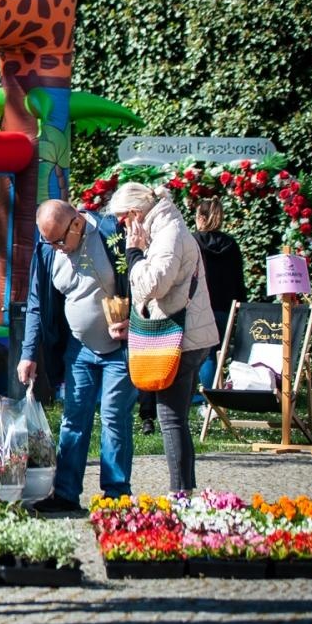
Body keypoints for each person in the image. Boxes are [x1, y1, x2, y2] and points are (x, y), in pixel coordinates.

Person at [18, 200, 136, 515]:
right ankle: (66, 494)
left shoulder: (112, 233)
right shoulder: (47, 250)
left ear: (76, 224)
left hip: (119, 348)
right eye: (48, 241)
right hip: (79, 349)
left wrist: (134, 320)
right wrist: (29, 353)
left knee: (113, 418)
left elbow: (141, 284)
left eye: (59, 240)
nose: (55, 248)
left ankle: (116, 497)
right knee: (74, 419)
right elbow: (35, 302)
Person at [109, 182, 219, 493]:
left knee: (170, 419)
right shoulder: (165, 228)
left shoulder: (169, 233)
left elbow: (155, 284)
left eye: (121, 219)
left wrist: (133, 254)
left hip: (183, 338)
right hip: (189, 333)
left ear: (134, 214)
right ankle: (183, 488)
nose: (121, 226)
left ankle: (180, 493)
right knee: (175, 418)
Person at [192, 198, 247, 390]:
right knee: (217, 353)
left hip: (199, 305)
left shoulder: (193, 241)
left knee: (202, 354)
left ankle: (208, 398)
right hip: (225, 306)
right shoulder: (231, 244)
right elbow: (238, 278)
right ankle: (214, 398)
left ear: (201, 217)